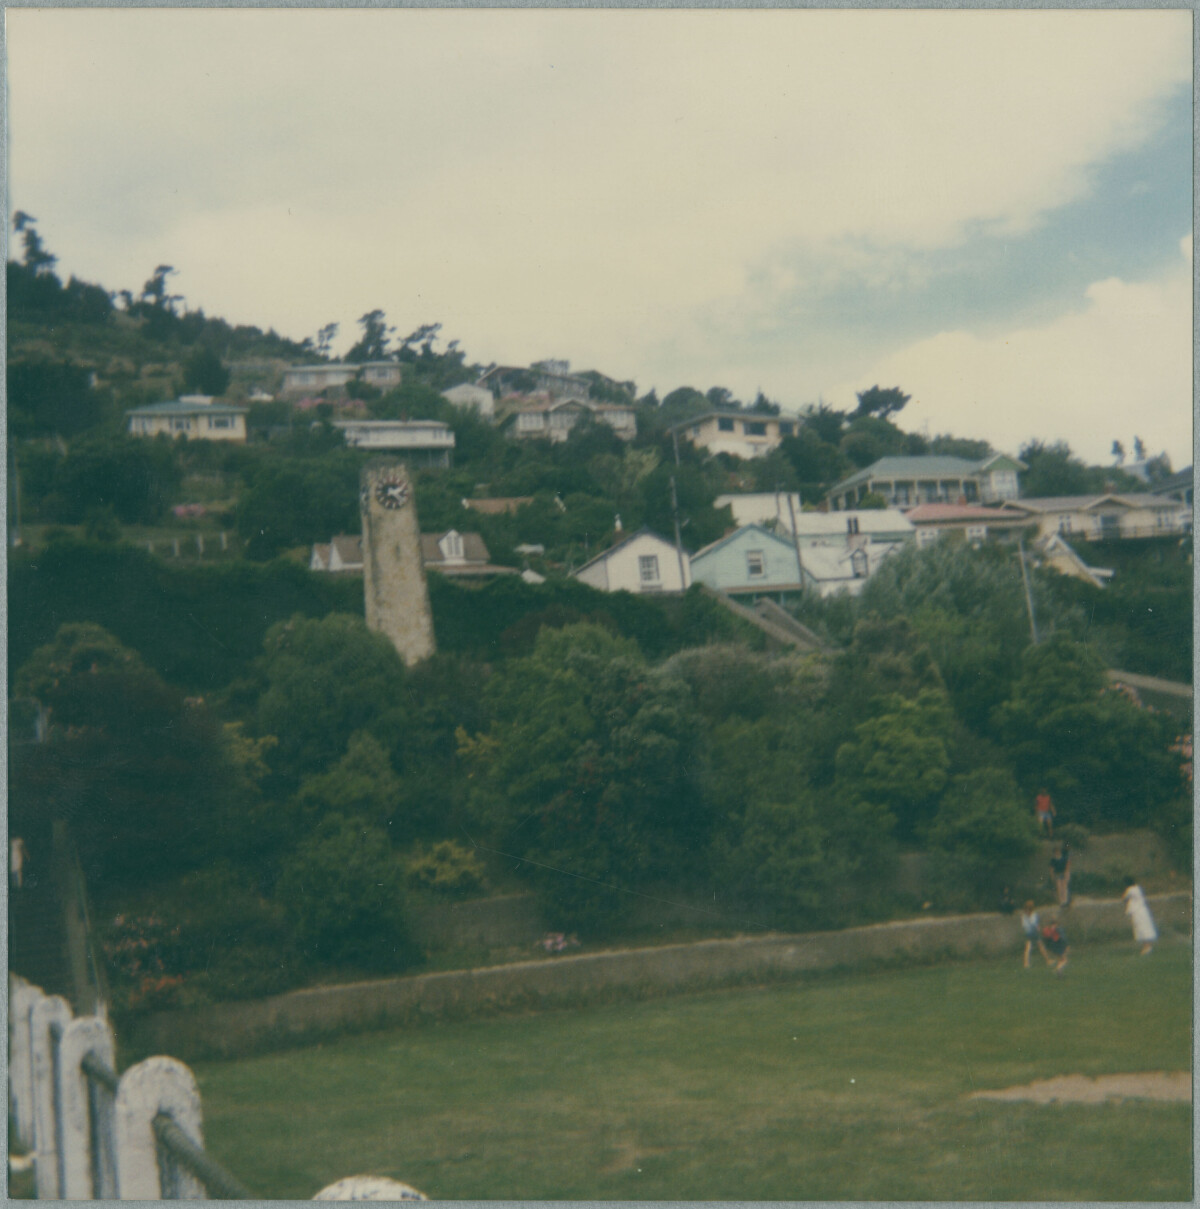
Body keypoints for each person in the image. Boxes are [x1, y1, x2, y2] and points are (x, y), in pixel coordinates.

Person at [1122, 877, 1157, 956]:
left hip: (1138, 912)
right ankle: (1147, 946)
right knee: (1145, 928)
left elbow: (1124, 898)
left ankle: (1147, 947)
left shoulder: (1130, 889)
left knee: (1142, 928)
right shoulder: (1138, 888)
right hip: (1143, 911)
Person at [1020, 901, 1049, 968]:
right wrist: (1036, 927)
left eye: (1029, 909)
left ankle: (1026, 963)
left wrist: (1036, 927)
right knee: (1035, 946)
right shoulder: (1029, 916)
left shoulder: (1029, 915)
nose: (1028, 911)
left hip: (1031, 932)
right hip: (1031, 933)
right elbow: (1033, 924)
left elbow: (1026, 925)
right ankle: (1047, 960)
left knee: (1037, 946)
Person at [1050, 843, 1071, 907]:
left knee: (1064, 887)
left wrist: (1067, 874)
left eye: (1058, 851)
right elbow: (1051, 868)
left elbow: (1067, 866)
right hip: (1057, 874)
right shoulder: (1053, 860)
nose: (1057, 852)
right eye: (1056, 852)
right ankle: (1061, 901)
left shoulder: (1063, 858)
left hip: (1063, 873)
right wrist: (1052, 876)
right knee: (1059, 888)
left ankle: (1065, 901)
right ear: (1054, 853)